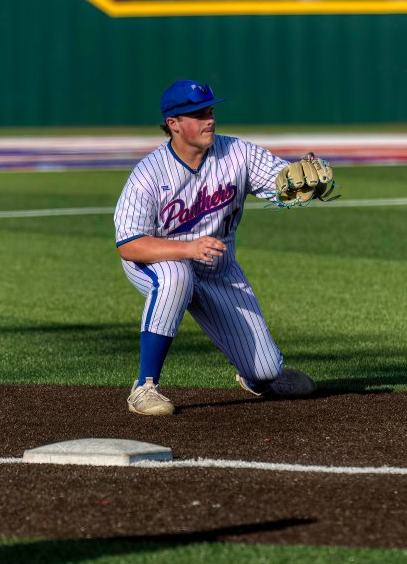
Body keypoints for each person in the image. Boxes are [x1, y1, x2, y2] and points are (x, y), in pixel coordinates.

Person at [113, 79, 319, 415]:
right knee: (176, 277)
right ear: (173, 123)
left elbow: (282, 180)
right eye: (197, 114)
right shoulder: (148, 174)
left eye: (209, 111)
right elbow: (130, 245)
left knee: (267, 369)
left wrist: (301, 181)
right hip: (157, 262)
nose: (208, 120)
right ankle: (144, 387)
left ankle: (256, 380)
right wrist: (187, 249)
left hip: (217, 271)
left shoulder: (237, 153)